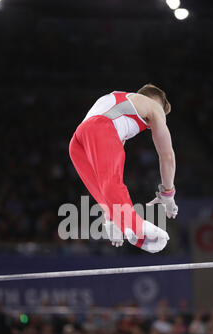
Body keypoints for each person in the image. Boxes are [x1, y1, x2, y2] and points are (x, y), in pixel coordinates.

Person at [69, 84, 178, 253]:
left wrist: (113, 217)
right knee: (112, 182)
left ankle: (113, 219)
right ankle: (137, 227)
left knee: (102, 186)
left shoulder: (120, 103)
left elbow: (108, 180)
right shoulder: (154, 107)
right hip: (99, 128)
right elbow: (167, 156)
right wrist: (168, 194)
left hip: (77, 141)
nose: (152, 125)